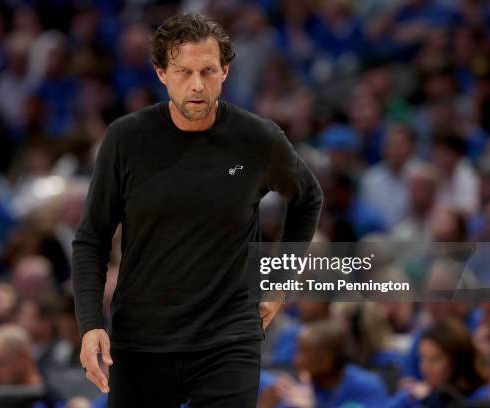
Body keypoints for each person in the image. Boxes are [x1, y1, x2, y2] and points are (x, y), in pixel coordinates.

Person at [72, 12, 323, 408]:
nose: (196, 85)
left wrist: (279, 281)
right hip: (142, 337)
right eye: (183, 71)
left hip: (229, 337)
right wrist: (89, 324)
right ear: (160, 74)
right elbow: (92, 239)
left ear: (225, 71)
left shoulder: (257, 138)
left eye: (208, 71)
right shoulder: (126, 138)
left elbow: (308, 198)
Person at [258, 320, 388, 408]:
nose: (295, 360)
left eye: (303, 353)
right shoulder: (295, 386)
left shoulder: (366, 388)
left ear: (325, 361)